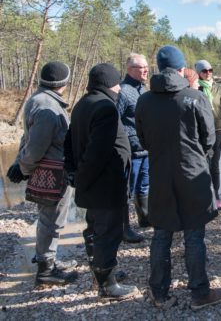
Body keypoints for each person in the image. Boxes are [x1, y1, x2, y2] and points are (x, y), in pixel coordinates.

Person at [135, 45, 221, 310]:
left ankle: (159, 293)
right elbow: (209, 139)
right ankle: (199, 293)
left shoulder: (144, 100)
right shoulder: (194, 97)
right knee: (194, 234)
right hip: (193, 174)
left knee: (161, 234)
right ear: (181, 68)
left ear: (158, 68)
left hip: (161, 174)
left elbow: (143, 139)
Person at [64, 63, 138, 301]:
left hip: (93, 183)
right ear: (109, 84)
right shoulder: (105, 106)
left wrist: (74, 173)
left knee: (95, 229)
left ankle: (102, 273)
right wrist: (82, 177)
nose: (119, 89)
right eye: (117, 84)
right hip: (104, 184)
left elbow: (69, 142)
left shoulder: (82, 104)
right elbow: (97, 152)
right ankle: (106, 286)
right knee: (107, 233)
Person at [7, 61, 78, 287]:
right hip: (54, 173)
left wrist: (20, 163)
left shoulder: (37, 99)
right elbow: (36, 145)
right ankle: (46, 269)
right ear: (64, 84)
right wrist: (22, 167)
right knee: (52, 220)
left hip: (48, 170)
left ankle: (47, 258)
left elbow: (27, 138)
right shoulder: (48, 107)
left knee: (49, 218)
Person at [116, 53, 149, 244]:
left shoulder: (143, 90)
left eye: (146, 67)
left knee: (144, 186)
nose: (145, 70)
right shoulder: (123, 90)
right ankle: (124, 228)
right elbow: (115, 120)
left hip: (146, 149)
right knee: (127, 190)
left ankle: (145, 218)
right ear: (130, 70)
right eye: (141, 67)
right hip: (130, 152)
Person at [195, 59, 221, 209]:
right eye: (204, 71)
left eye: (210, 70)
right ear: (198, 73)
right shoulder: (195, 89)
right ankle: (203, 196)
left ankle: (216, 196)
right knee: (202, 164)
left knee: (214, 165)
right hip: (200, 133)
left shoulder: (219, 89)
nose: (208, 73)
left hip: (217, 131)